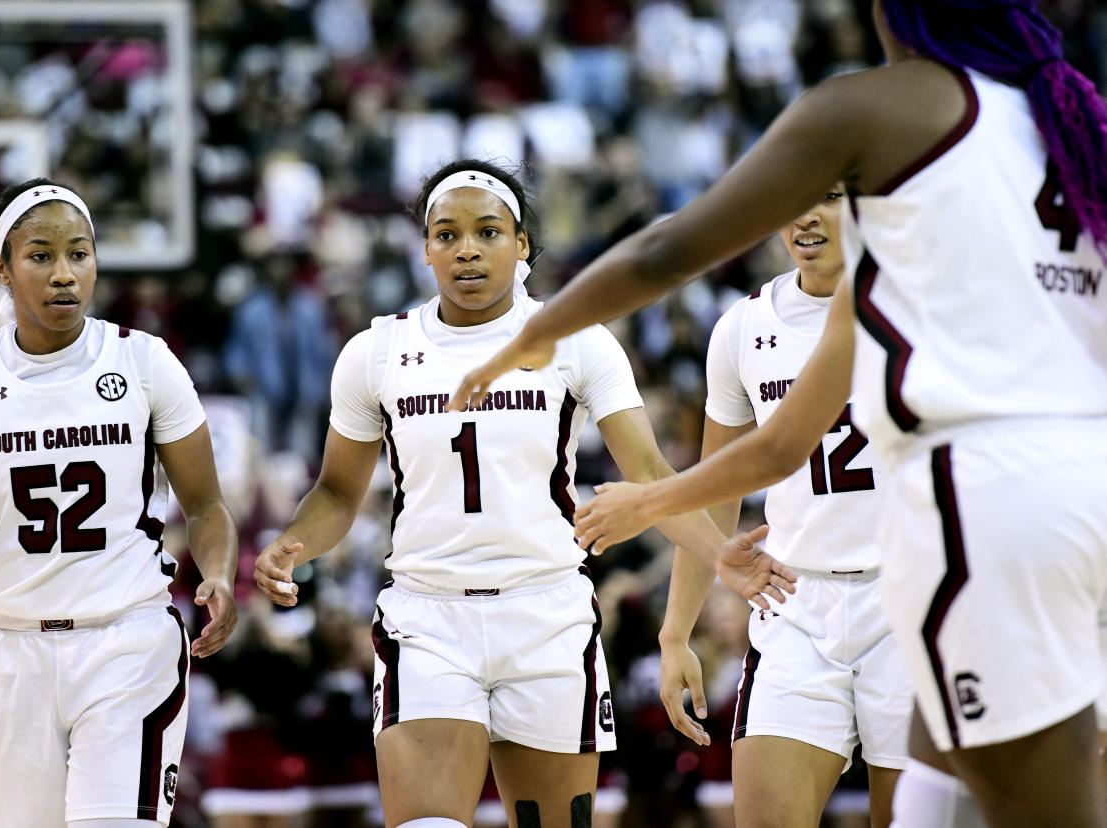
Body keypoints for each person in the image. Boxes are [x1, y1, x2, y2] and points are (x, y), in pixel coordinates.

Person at [451, 2, 1107, 826]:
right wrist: (677, 612)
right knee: (954, 805)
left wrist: (531, 334)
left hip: (983, 506)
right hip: (1078, 497)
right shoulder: (1067, 122)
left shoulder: (886, 106)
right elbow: (778, 448)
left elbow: (664, 250)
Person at [253, 159, 795, 828]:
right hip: (428, 618)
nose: (467, 249)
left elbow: (652, 477)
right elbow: (336, 490)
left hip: (547, 616)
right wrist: (291, 542)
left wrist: (720, 558)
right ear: (425, 250)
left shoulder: (578, 341)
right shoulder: (377, 350)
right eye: (446, 235)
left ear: (523, 244)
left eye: (487, 231)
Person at [0, 177, 240, 828]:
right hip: (14, 655)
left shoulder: (146, 362)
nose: (64, 273)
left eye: (79, 253)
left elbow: (206, 507)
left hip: (127, 641)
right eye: (41, 255)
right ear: (1, 267)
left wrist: (218, 574)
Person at [658, 186, 908, 828]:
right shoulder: (743, 326)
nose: (805, 215)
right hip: (797, 605)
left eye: (827, 196)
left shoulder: (919, 303)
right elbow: (717, 494)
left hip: (912, 601)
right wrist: (676, 632)